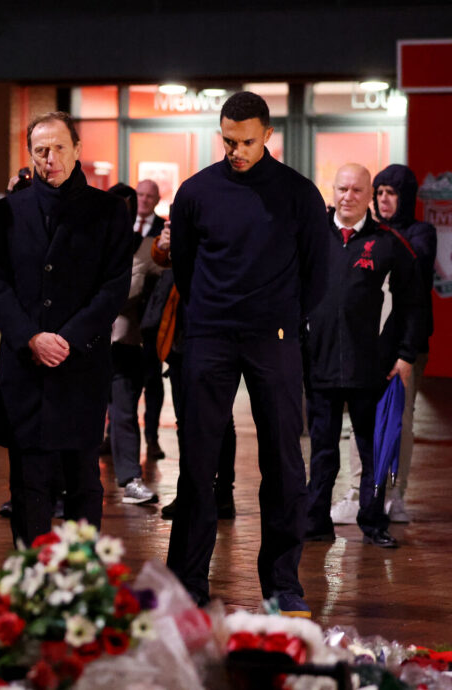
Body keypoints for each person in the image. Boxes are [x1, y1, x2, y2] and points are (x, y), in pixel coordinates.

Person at [166, 91, 329, 615]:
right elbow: (185, 268)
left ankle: (282, 583)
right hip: (210, 335)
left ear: (268, 137)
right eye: (229, 141)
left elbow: (320, 271)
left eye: (247, 142)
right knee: (198, 461)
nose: (237, 150)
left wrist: (285, 316)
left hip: (273, 338)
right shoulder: (195, 193)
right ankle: (187, 581)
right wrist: (207, 316)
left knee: (283, 462)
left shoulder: (298, 194)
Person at [0, 111, 132, 547]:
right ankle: (30, 575)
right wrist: (30, 336)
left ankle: (83, 580)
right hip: (24, 367)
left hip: (79, 366)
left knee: (84, 482)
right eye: (41, 150)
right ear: (30, 155)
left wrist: (68, 338)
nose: (50, 159)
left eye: (59, 148)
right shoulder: (8, 211)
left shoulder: (107, 212)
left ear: (78, 150)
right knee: (28, 483)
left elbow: (113, 285)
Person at [303, 164, 422, 549]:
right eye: (342, 189)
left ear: (369, 194)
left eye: (357, 190)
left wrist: (405, 355)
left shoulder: (389, 243)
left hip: (372, 368)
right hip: (319, 365)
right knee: (322, 451)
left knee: (373, 452)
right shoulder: (312, 238)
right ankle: (316, 521)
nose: (347, 197)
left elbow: (414, 305)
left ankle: (373, 522)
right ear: (332, 190)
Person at [330, 164, 436, 525]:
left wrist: (383, 240)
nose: (384, 199)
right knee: (363, 420)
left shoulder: (416, 234)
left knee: (400, 421)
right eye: (380, 192)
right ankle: (360, 493)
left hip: (406, 346)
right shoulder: (369, 235)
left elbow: (415, 268)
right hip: (369, 344)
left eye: (392, 192)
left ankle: (395, 494)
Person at [148, 225, 238, 521]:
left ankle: (223, 493)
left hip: (218, 339)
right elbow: (163, 258)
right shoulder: (190, 217)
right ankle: (191, 492)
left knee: (221, 420)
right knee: (186, 420)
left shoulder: (225, 226)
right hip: (181, 341)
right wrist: (164, 243)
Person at [104, 181, 162, 504]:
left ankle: (130, 479)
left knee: (124, 413)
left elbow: (166, 264)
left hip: (125, 345)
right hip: (86, 346)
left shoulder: (143, 248)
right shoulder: (88, 246)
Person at [134, 180, 168, 461]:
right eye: (140, 195)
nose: (144, 200)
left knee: (152, 381)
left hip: (151, 321)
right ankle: (115, 436)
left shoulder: (163, 230)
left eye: (149, 196)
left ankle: (152, 438)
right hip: (125, 321)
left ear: (157, 199)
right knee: (121, 383)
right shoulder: (121, 225)